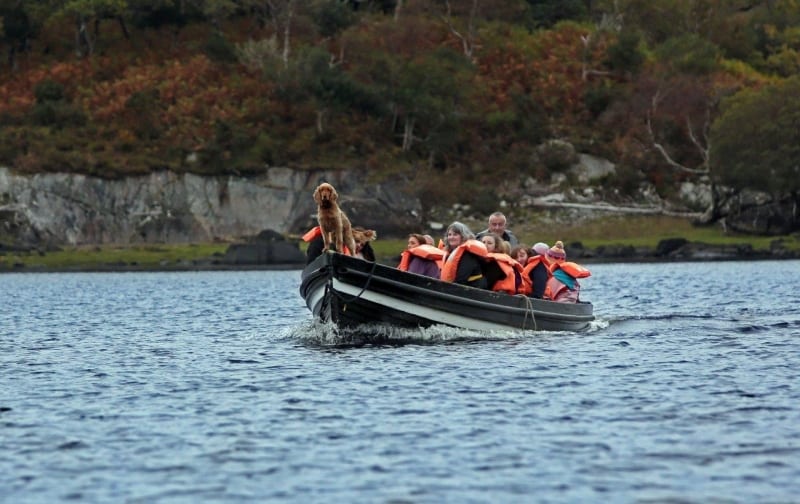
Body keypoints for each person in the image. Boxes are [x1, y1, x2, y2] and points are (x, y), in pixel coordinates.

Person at [439, 221, 489, 289]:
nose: (451, 237)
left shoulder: (468, 253)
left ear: (463, 236)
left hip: (473, 289)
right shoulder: (450, 252)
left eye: (455, 234)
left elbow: (461, 279)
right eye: (449, 234)